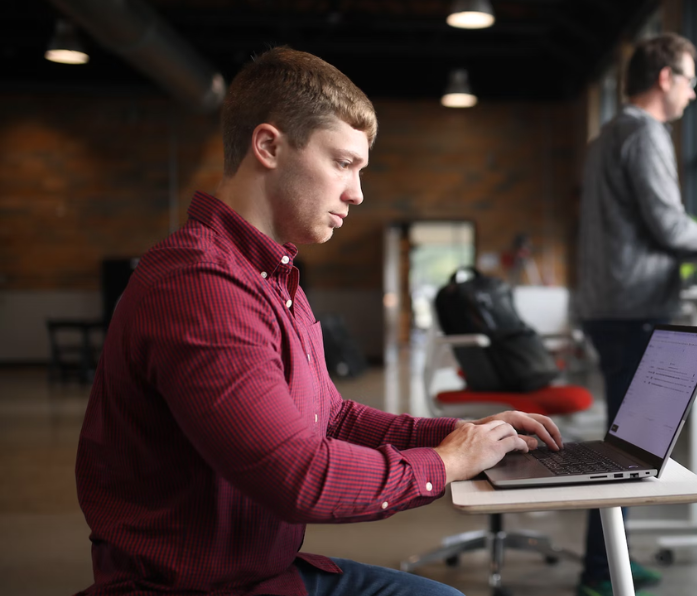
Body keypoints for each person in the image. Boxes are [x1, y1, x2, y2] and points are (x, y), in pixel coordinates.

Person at [74, 46, 562, 596]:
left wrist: (460, 435)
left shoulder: (272, 277)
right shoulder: (200, 286)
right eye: (343, 163)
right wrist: (445, 465)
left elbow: (331, 417)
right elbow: (297, 477)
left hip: (264, 572)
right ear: (268, 146)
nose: (356, 193)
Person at [574, 34, 697, 596]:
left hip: (612, 304)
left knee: (628, 443)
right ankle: (601, 571)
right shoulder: (644, 132)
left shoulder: (609, 133)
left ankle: (609, 561)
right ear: (664, 78)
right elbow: (669, 227)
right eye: (689, 77)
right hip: (632, 309)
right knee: (630, 447)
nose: (693, 90)